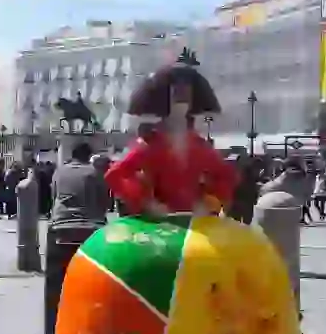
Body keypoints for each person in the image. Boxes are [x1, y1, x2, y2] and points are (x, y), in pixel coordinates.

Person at [104, 49, 236, 216]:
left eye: (186, 97)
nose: (181, 102)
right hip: (159, 227)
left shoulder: (199, 146)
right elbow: (115, 175)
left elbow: (226, 176)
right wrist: (146, 203)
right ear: (164, 101)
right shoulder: (148, 144)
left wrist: (210, 202)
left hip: (194, 227)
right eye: (176, 96)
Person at [51, 142, 105, 226]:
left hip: (60, 220)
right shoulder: (94, 172)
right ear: (89, 156)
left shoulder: (59, 172)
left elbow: (54, 196)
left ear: (72, 156)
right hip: (89, 221)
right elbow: (103, 199)